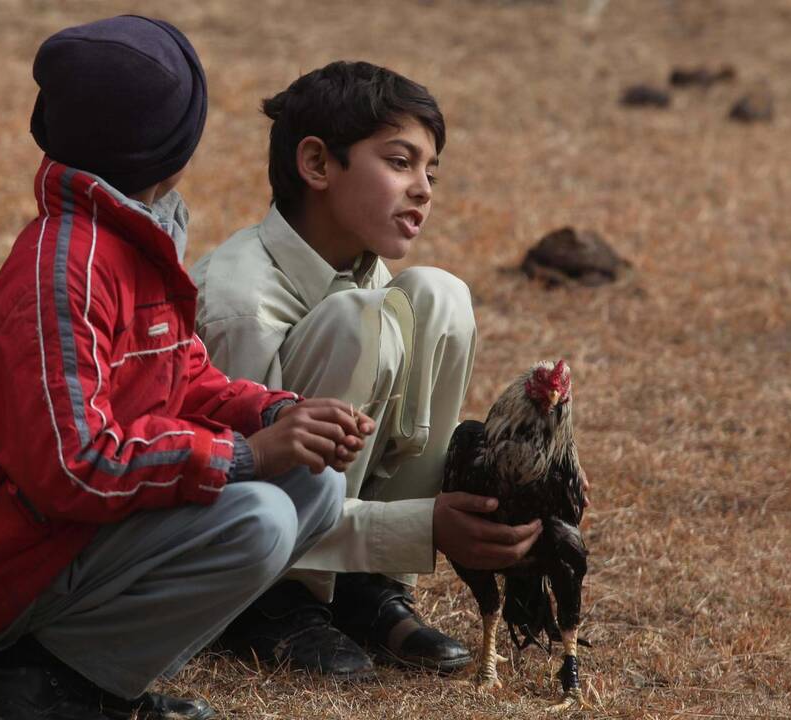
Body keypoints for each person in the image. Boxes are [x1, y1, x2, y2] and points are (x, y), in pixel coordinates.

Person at [0, 17, 372, 720]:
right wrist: (242, 454)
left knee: (310, 482)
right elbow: (74, 465)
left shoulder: (130, 239)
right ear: (176, 145)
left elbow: (184, 380)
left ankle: (86, 680)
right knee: (257, 515)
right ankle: (43, 688)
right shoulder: (64, 270)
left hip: (59, 535)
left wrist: (275, 414)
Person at [191, 61, 543, 679]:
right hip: (243, 550)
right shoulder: (237, 306)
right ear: (319, 165)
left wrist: (528, 488)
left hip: (337, 525)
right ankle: (277, 603)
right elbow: (225, 498)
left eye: (430, 172)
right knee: (358, 316)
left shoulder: (366, 271)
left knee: (438, 294)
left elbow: (392, 449)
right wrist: (421, 526)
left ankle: (365, 590)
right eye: (401, 162)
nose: (424, 189)